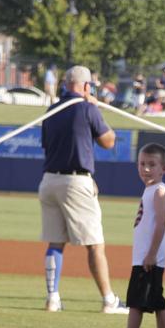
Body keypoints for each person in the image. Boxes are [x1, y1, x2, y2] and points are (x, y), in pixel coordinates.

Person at [39, 65, 128, 314]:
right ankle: (109, 300)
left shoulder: (51, 109)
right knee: (95, 244)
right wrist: (96, 108)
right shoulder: (87, 108)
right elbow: (108, 141)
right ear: (87, 86)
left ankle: (53, 298)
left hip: (49, 180)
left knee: (55, 242)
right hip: (75, 182)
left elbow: (48, 145)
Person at [106, 143, 165, 328]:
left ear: (164, 168)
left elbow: (161, 223)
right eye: (142, 164)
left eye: (152, 165)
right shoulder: (150, 190)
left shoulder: (159, 191)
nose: (145, 169)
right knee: (155, 302)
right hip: (145, 258)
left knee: (136, 303)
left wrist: (151, 254)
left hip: (149, 259)